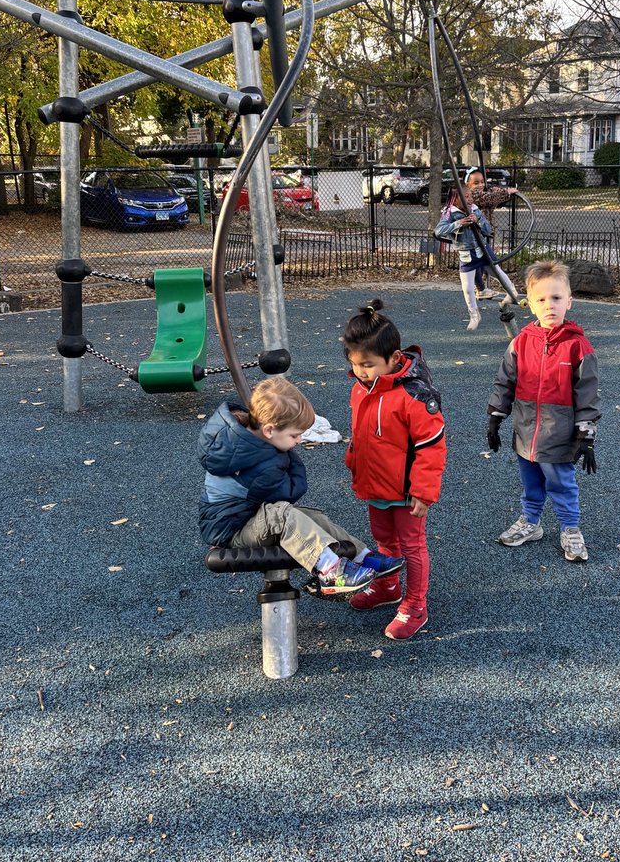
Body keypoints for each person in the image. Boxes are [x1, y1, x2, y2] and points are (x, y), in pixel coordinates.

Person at [198, 376, 402, 596]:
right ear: (269, 430)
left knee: (312, 517)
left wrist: (283, 450)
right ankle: (330, 571)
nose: (299, 440)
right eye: (294, 435)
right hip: (232, 533)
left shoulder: (245, 443)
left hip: (246, 519)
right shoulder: (260, 462)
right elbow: (293, 489)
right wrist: (287, 456)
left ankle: (363, 557)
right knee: (281, 514)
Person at [341, 300, 446, 639]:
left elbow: (432, 446)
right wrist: (354, 461)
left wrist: (423, 491)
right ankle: (387, 586)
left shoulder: (414, 395)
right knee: (384, 539)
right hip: (376, 485)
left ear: (395, 357)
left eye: (368, 364)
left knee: (411, 545)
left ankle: (416, 604)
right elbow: (362, 434)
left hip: (406, 491)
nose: (361, 371)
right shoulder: (362, 389)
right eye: (356, 364)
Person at [486, 259, 601, 563]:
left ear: (569, 302)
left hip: (560, 435)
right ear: (531, 305)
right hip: (525, 432)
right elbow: (505, 380)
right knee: (531, 481)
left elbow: (587, 394)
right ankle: (531, 521)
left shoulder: (578, 347)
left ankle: (570, 528)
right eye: (541, 299)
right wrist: (496, 416)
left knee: (561, 484)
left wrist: (586, 435)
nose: (550, 305)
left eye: (557, 298)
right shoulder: (522, 342)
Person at [433, 181, 495, 330]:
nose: (469, 199)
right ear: (456, 200)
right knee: (467, 287)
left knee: (496, 270)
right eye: (465, 196)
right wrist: (459, 223)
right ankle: (474, 314)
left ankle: (509, 291)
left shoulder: (476, 209)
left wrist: (478, 220)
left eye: (470, 196)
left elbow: (488, 229)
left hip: (481, 248)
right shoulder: (451, 213)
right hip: (467, 253)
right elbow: (438, 231)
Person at [463, 167, 516, 299]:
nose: (480, 185)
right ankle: (509, 290)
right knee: (491, 263)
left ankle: (481, 289)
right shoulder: (472, 196)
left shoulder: (481, 195)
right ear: (467, 185)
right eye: (476, 183)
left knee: (484, 265)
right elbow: (489, 198)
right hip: (474, 238)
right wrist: (506, 192)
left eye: (482, 182)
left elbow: (491, 197)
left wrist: (497, 191)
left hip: (482, 235)